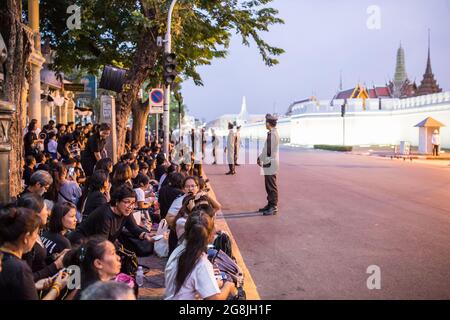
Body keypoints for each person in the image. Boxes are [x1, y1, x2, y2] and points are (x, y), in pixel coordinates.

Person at [164, 210, 237, 300]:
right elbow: (215, 299)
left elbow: (186, 286)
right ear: (210, 236)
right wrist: (228, 285)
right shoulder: (201, 263)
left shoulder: (179, 250)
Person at [0, 205, 68, 300]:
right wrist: (57, 287)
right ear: (26, 237)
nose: (36, 238)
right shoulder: (20, 269)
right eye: (36, 234)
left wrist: (33, 286)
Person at [67, 185, 156, 245]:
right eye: (127, 202)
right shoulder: (105, 214)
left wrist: (145, 235)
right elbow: (102, 243)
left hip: (96, 245)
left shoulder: (125, 211)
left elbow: (133, 228)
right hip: (81, 243)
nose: (131, 206)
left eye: (133, 203)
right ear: (117, 201)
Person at [257, 114, 280, 216]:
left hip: (270, 162)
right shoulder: (273, 133)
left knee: (271, 185)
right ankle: (270, 204)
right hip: (270, 162)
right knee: (268, 185)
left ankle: (273, 206)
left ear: (268, 123)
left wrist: (261, 158)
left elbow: (268, 150)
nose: (265, 124)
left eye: (265, 122)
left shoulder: (273, 134)